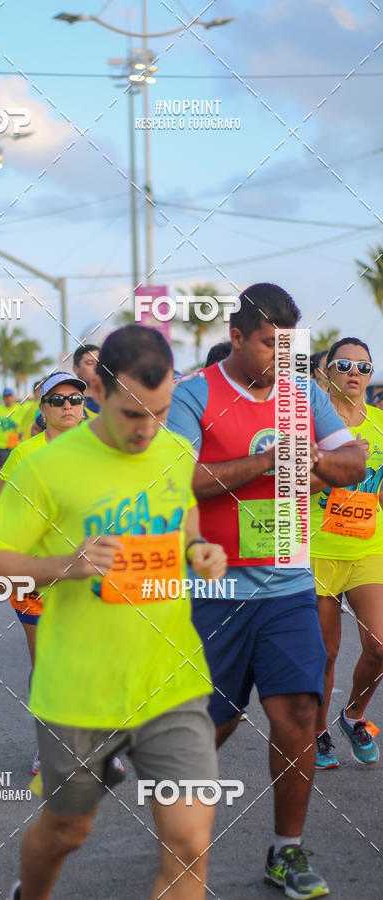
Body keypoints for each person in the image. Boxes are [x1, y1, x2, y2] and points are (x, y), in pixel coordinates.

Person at [0, 325, 226, 900]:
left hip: (169, 679)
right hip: (77, 690)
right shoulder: (46, 465)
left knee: (189, 842)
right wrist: (69, 564)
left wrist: (197, 550)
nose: (147, 430)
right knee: (69, 829)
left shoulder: (174, 449)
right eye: (132, 414)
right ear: (99, 391)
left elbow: (182, 521)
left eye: (159, 413)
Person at [167, 283, 366, 899]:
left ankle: (287, 850)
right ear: (236, 336)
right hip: (214, 592)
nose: (279, 359)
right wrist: (262, 463)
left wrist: (310, 463)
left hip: (287, 585)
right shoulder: (195, 394)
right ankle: (180, 850)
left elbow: (354, 460)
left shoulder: (304, 394)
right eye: (265, 345)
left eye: (288, 347)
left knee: (298, 713)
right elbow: (175, 482)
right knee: (211, 725)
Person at [0, 371, 87, 775]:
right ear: (43, 409)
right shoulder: (24, 455)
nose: (67, 406)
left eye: (74, 399)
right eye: (57, 400)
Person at [310, 338, 383, 768]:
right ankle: (318, 731)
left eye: (363, 367)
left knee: (379, 646)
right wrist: (341, 463)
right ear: (325, 374)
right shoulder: (308, 426)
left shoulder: (380, 424)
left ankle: (352, 715)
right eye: (343, 365)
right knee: (326, 652)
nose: (354, 373)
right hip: (317, 549)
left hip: (367, 548)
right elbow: (292, 490)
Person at [0, 388, 21, 470]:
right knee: (6, 467)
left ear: (13, 397)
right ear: (3, 399)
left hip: (15, 442)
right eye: (6, 397)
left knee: (16, 467)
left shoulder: (19, 408)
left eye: (10, 396)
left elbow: (24, 424)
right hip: (1, 444)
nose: (8, 399)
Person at [73, 343, 101, 417]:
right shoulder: (64, 402)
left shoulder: (114, 400)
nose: (96, 368)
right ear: (76, 368)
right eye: (90, 363)